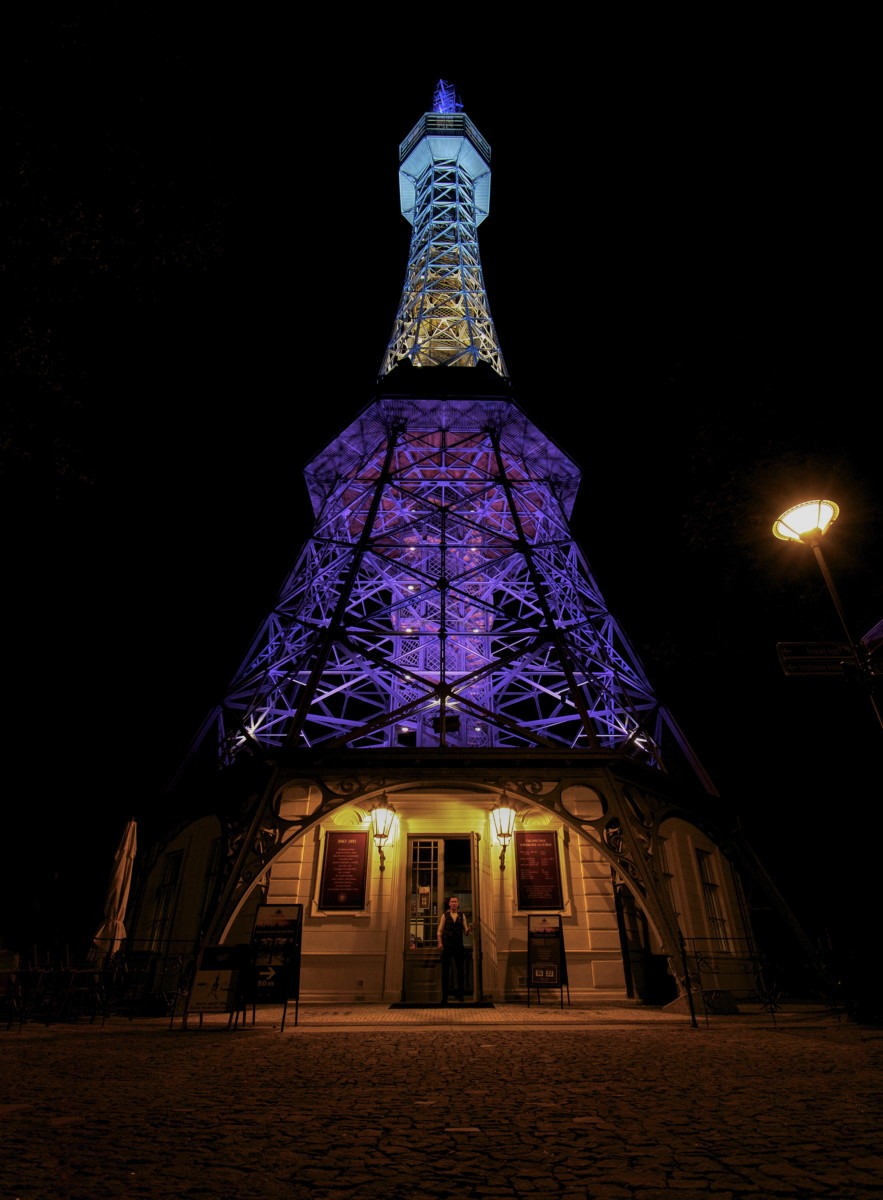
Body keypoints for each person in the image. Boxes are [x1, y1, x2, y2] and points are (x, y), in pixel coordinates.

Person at [436, 896, 470, 1003]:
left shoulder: (462, 915)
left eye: (456, 901)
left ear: (458, 904)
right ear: (449, 904)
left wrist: (470, 929)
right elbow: (439, 932)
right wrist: (440, 943)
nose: (454, 903)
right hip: (447, 946)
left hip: (458, 946)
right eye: (452, 901)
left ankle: (460, 995)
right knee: (446, 971)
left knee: (460, 971)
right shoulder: (444, 916)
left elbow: (466, 931)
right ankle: (444, 996)